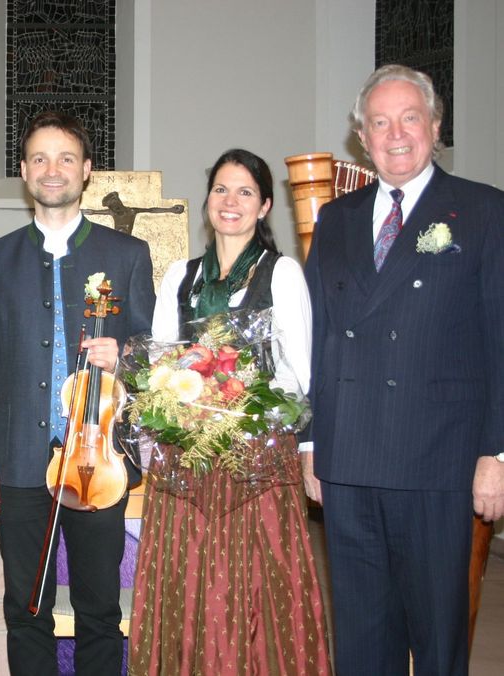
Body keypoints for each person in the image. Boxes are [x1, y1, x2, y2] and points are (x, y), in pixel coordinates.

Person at [304, 64, 504, 675]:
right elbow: (319, 337)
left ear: (435, 127)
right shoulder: (337, 218)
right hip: (350, 459)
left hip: (439, 459)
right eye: (379, 123)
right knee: (363, 639)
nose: (395, 134)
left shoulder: (484, 210)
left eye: (409, 118)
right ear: (361, 138)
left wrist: (496, 455)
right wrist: (311, 442)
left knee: (438, 635)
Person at [128, 148, 331, 674]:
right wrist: (174, 408)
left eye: (245, 191)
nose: (230, 201)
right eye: (221, 189)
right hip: (185, 459)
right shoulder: (180, 276)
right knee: (187, 579)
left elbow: (300, 375)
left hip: (256, 460)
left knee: (254, 585)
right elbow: (162, 363)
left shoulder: (281, 274)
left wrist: (234, 400)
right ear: (207, 201)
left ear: (265, 206)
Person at [0, 111, 155, 675]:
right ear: (25, 171)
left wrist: (124, 355)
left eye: (67, 158)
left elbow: (152, 357)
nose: (54, 170)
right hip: (21, 462)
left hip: (98, 462)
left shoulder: (128, 255)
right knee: (27, 611)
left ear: (88, 170)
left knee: (100, 610)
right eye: (41, 159)